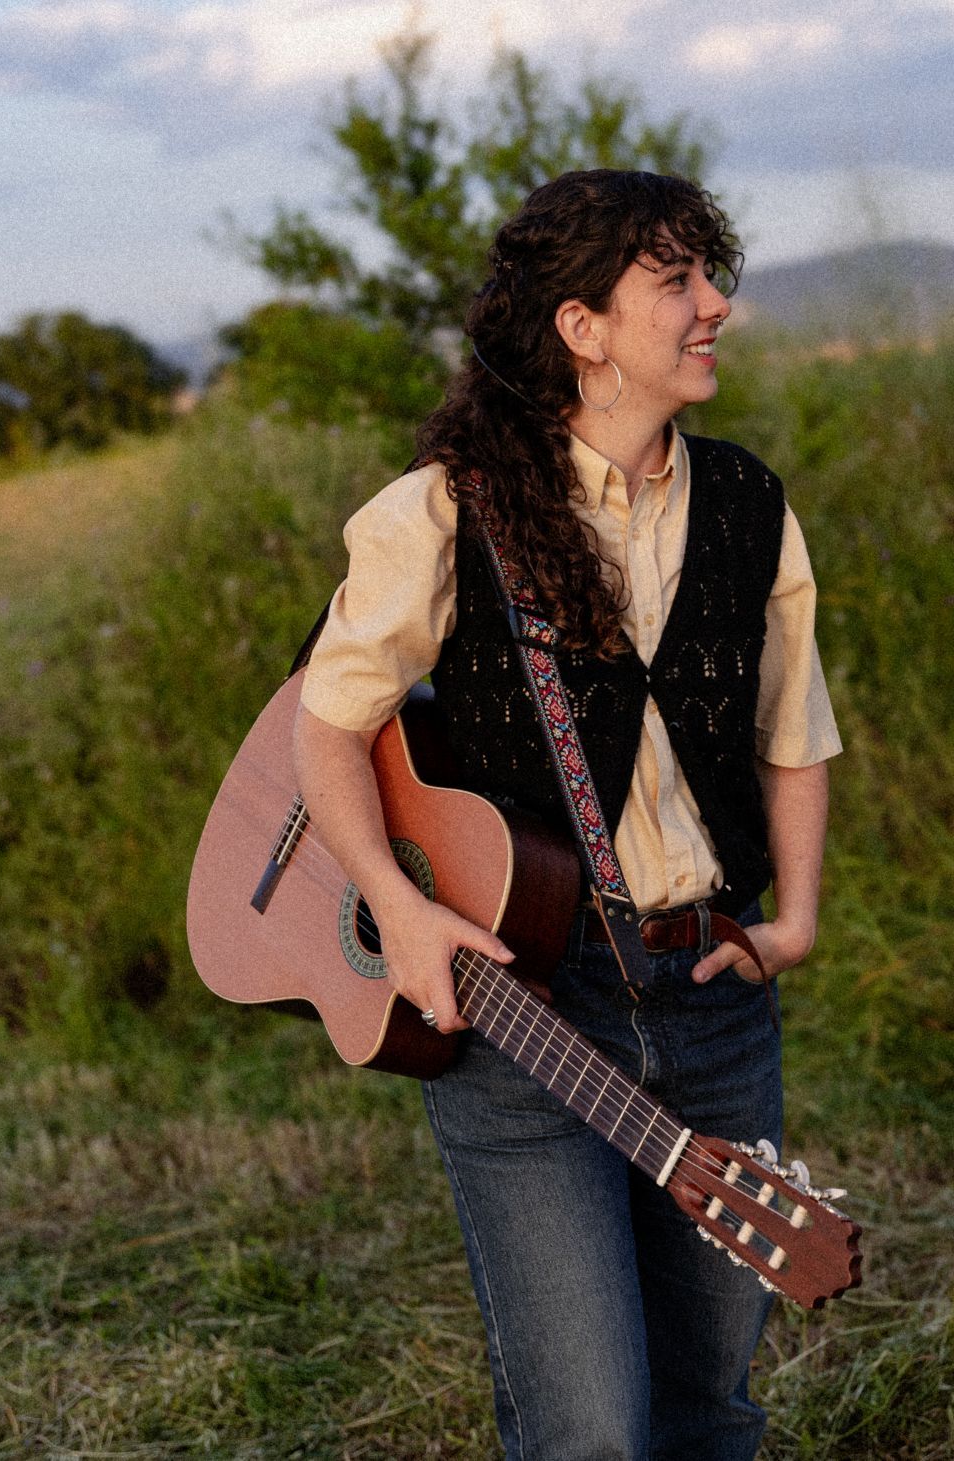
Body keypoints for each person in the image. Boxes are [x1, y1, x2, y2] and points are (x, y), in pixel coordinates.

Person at [292, 168, 840, 1461]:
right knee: (591, 1427)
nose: (717, 304)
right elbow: (326, 731)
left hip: (713, 988)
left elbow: (792, 732)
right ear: (581, 329)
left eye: (712, 272)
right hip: (525, 1002)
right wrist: (397, 902)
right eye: (678, 280)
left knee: (713, 1406)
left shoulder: (751, 503)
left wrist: (798, 920)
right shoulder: (441, 512)